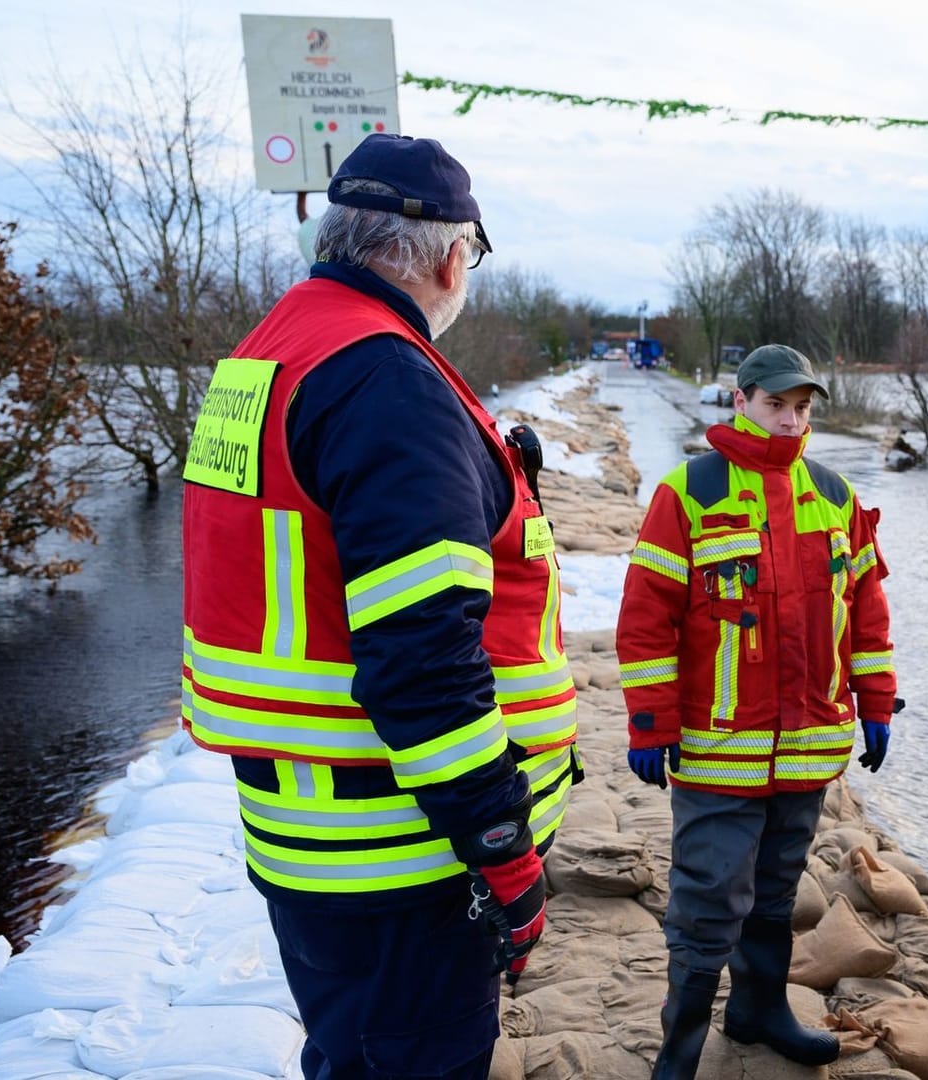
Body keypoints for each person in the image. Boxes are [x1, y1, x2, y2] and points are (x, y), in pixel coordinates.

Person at [180, 133, 580, 1079]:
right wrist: (506, 851)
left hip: (311, 833)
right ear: (451, 257)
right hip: (400, 853)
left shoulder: (269, 352)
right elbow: (423, 661)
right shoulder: (388, 378)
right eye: (471, 260)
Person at [616, 344, 900, 1079]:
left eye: (802, 408)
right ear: (739, 400)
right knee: (708, 902)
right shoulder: (689, 493)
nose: (790, 420)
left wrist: (877, 703)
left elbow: (866, 611)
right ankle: (678, 1054)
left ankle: (758, 1012)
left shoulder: (836, 495)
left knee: (775, 893)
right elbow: (647, 618)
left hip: (810, 749)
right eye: (777, 404)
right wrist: (650, 721)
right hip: (719, 750)